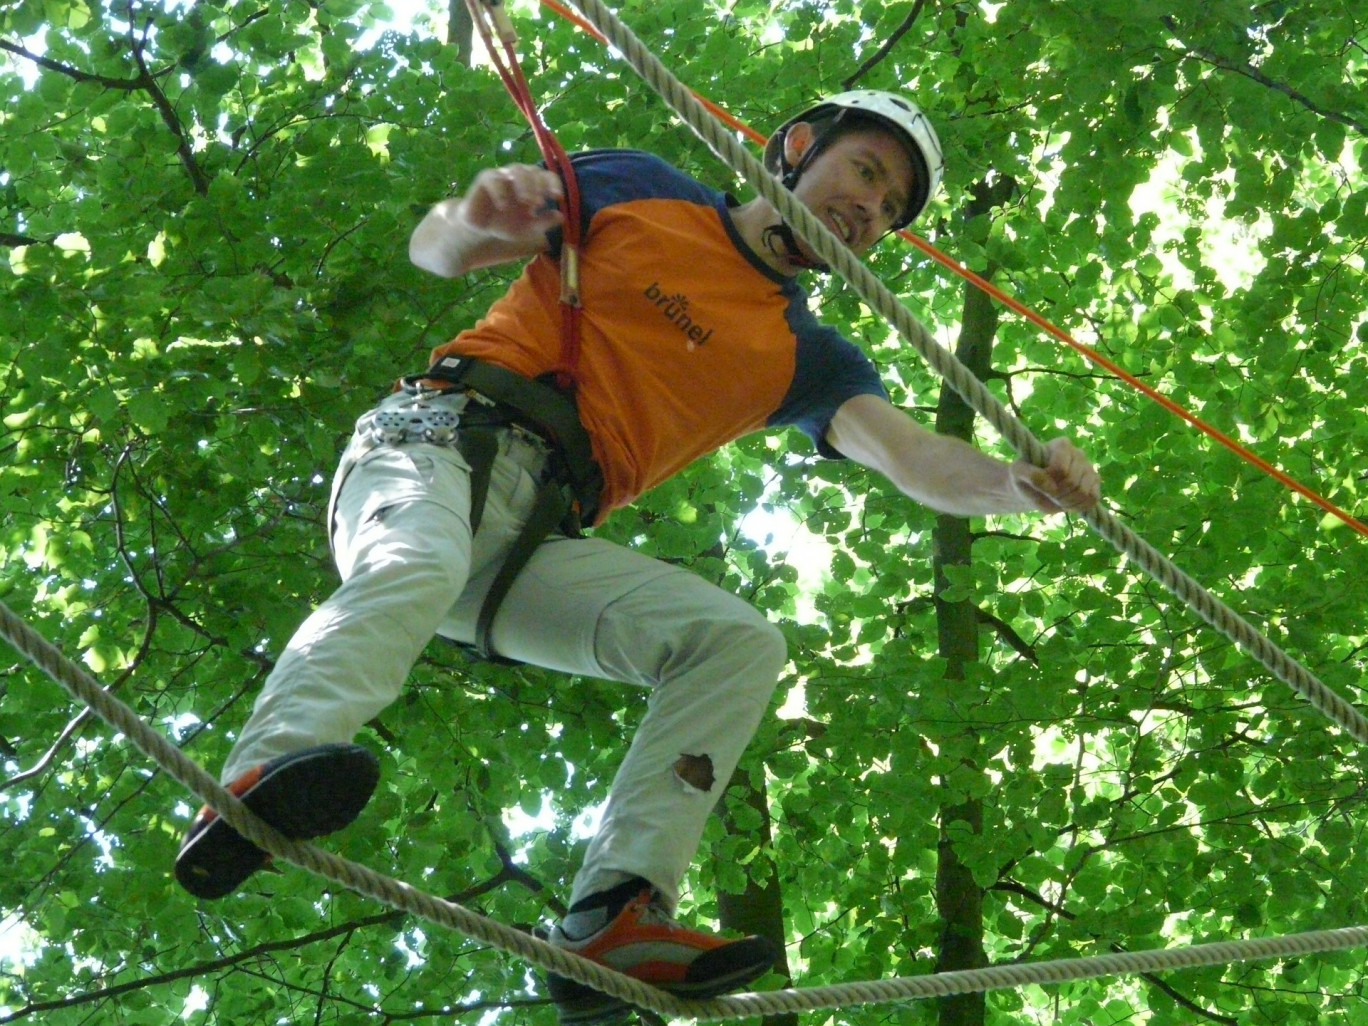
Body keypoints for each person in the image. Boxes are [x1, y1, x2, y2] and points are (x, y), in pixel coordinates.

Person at [174, 90, 1101, 1023]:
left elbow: (912, 456)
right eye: (866, 171)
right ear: (798, 147)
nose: (873, 209)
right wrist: (473, 222)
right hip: (437, 442)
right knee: (413, 563)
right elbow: (439, 250)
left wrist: (1018, 484)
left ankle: (614, 915)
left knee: (736, 642)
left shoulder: (807, 357)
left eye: (893, 207)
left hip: (536, 536)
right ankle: (263, 775)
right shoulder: (647, 190)